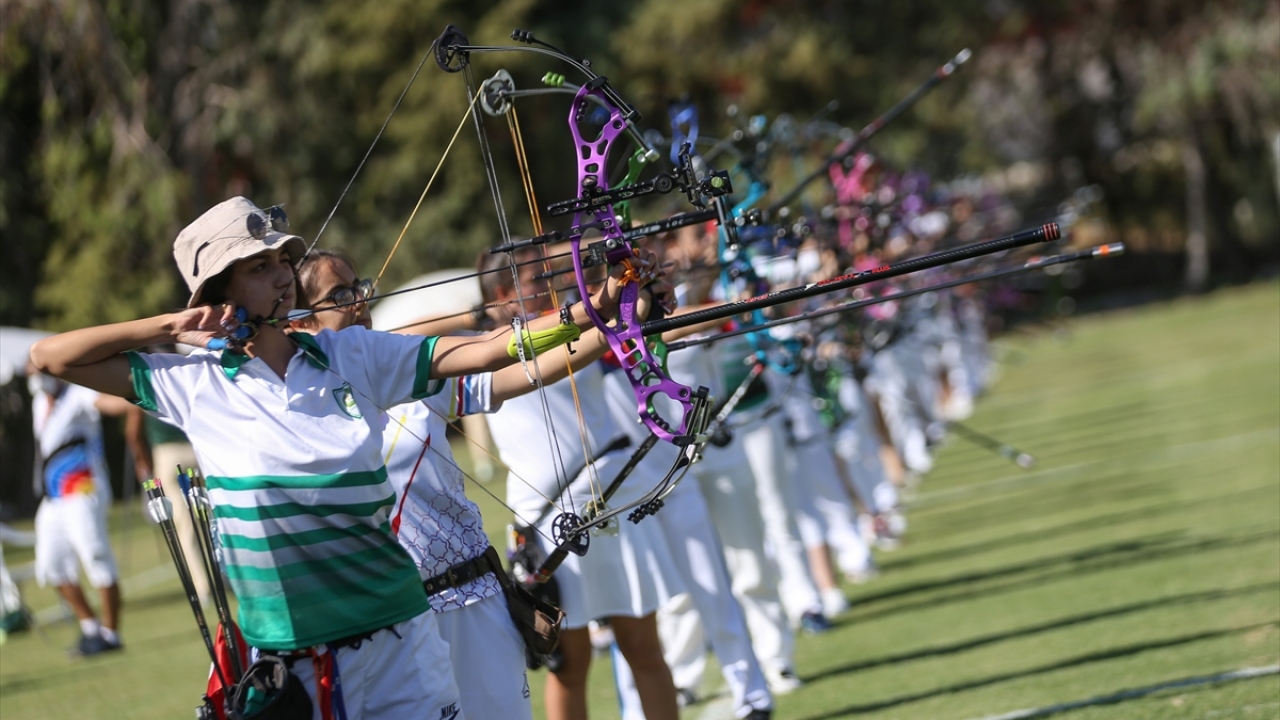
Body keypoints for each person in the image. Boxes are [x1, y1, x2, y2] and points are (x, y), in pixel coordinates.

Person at [27, 196, 658, 719]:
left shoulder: (351, 355)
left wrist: (591, 310)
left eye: (283, 261)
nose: (280, 275)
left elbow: (487, 352)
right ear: (217, 288)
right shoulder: (189, 380)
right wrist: (169, 328)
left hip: (401, 642)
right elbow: (51, 357)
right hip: (293, 662)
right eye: (258, 266)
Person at [288, 246, 646, 720]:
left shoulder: (410, 373)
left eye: (357, 288)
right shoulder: (298, 414)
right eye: (339, 295)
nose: (358, 302)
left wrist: (614, 325)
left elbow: (519, 371)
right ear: (299, 322)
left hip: (475, 596)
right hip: (396, 620)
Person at [480, 249, 684, 720]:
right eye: (534, 278)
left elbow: (631, 324)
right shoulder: (482, 347)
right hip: (546, 522)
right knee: (568, 664)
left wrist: (641, 290)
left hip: (607, 499)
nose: (549, 283)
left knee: (643, 648)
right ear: (502, 294)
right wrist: (486, 316)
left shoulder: (580, 319)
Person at [26, 365, 146, 656]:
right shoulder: (39, 401)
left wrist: (135, 403)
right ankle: (91, 629)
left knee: (95, 555)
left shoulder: (79, 393)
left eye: (37, 369)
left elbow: (110, 403)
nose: (33, 375)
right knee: (51, 565)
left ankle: (111, 633)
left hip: (82, 490)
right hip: (52, 497)